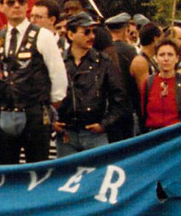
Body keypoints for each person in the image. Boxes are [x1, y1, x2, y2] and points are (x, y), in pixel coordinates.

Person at [0, 0, 67, 164]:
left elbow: (58, 75)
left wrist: (48, 105)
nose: (16, 6)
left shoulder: (43, 36)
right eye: (10, 2)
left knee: (37, 167)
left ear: (27, 5)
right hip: (7, 111)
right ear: (1, 6)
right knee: (5, 169)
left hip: (34, 112)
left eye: (21, 2)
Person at [54, 12, 128, 156]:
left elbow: (119, 97)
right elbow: (44, 93)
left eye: (93, 31)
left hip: (94, 133)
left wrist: (104, 124)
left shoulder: (104, 62)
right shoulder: (58, 61)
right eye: (86, 32)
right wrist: (51, 121)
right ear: (71, 35)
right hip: (66, 133)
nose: (92, 36)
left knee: (99, 176)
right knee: (67, 177)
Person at [140, 37, 181, 131]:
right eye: (161, 55)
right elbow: (143, 113)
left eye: (170, 55)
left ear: (177, 58)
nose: (166, 59)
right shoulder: (148, 82)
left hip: (178, 135)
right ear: (156, 58)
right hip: (153, 136)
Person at [103, 12, 138, 141]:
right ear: (124, 30)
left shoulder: (102, 50)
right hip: (126, 105)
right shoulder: (129, 50)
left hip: (108, 108)